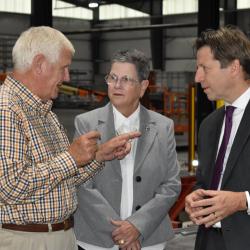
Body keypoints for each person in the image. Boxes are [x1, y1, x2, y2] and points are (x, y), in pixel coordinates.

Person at [0, 26, 140, 250]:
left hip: (59, 236)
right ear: (40, 64)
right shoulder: (6, 109)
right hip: (26, 240)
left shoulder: (45, 112)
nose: (67, 77)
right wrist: (71, 158)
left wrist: (98, 156)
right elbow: (10, 186)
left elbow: (62, 180)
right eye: (64, 68)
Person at [74, 49, 181, 250]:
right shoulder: (86, 123)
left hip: (148, 239)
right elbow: (81, 184)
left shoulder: (163, 126)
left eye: (126, 79)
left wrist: (137, 226)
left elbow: (171, 185)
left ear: (142, 87)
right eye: (112, 78)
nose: (116, 85)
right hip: (97, 241)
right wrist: (121, 233)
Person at [185, 26, 250, 250]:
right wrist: (194, 197)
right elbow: (204, 182)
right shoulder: (209, 125)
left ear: (234, 67)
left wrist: (243, 201)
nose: (197, 77)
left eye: (204, 68)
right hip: (209, 241)